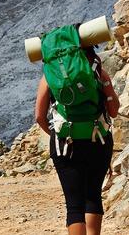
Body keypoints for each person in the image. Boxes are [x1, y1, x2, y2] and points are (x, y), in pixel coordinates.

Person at [35, 48, 119, 235]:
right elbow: (113, 111)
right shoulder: (98, 73)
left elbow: (39, 116)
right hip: (98, 141)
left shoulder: (51, 76)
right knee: (93, 196)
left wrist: (58, 135)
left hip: (65, 145)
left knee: (74, 205)